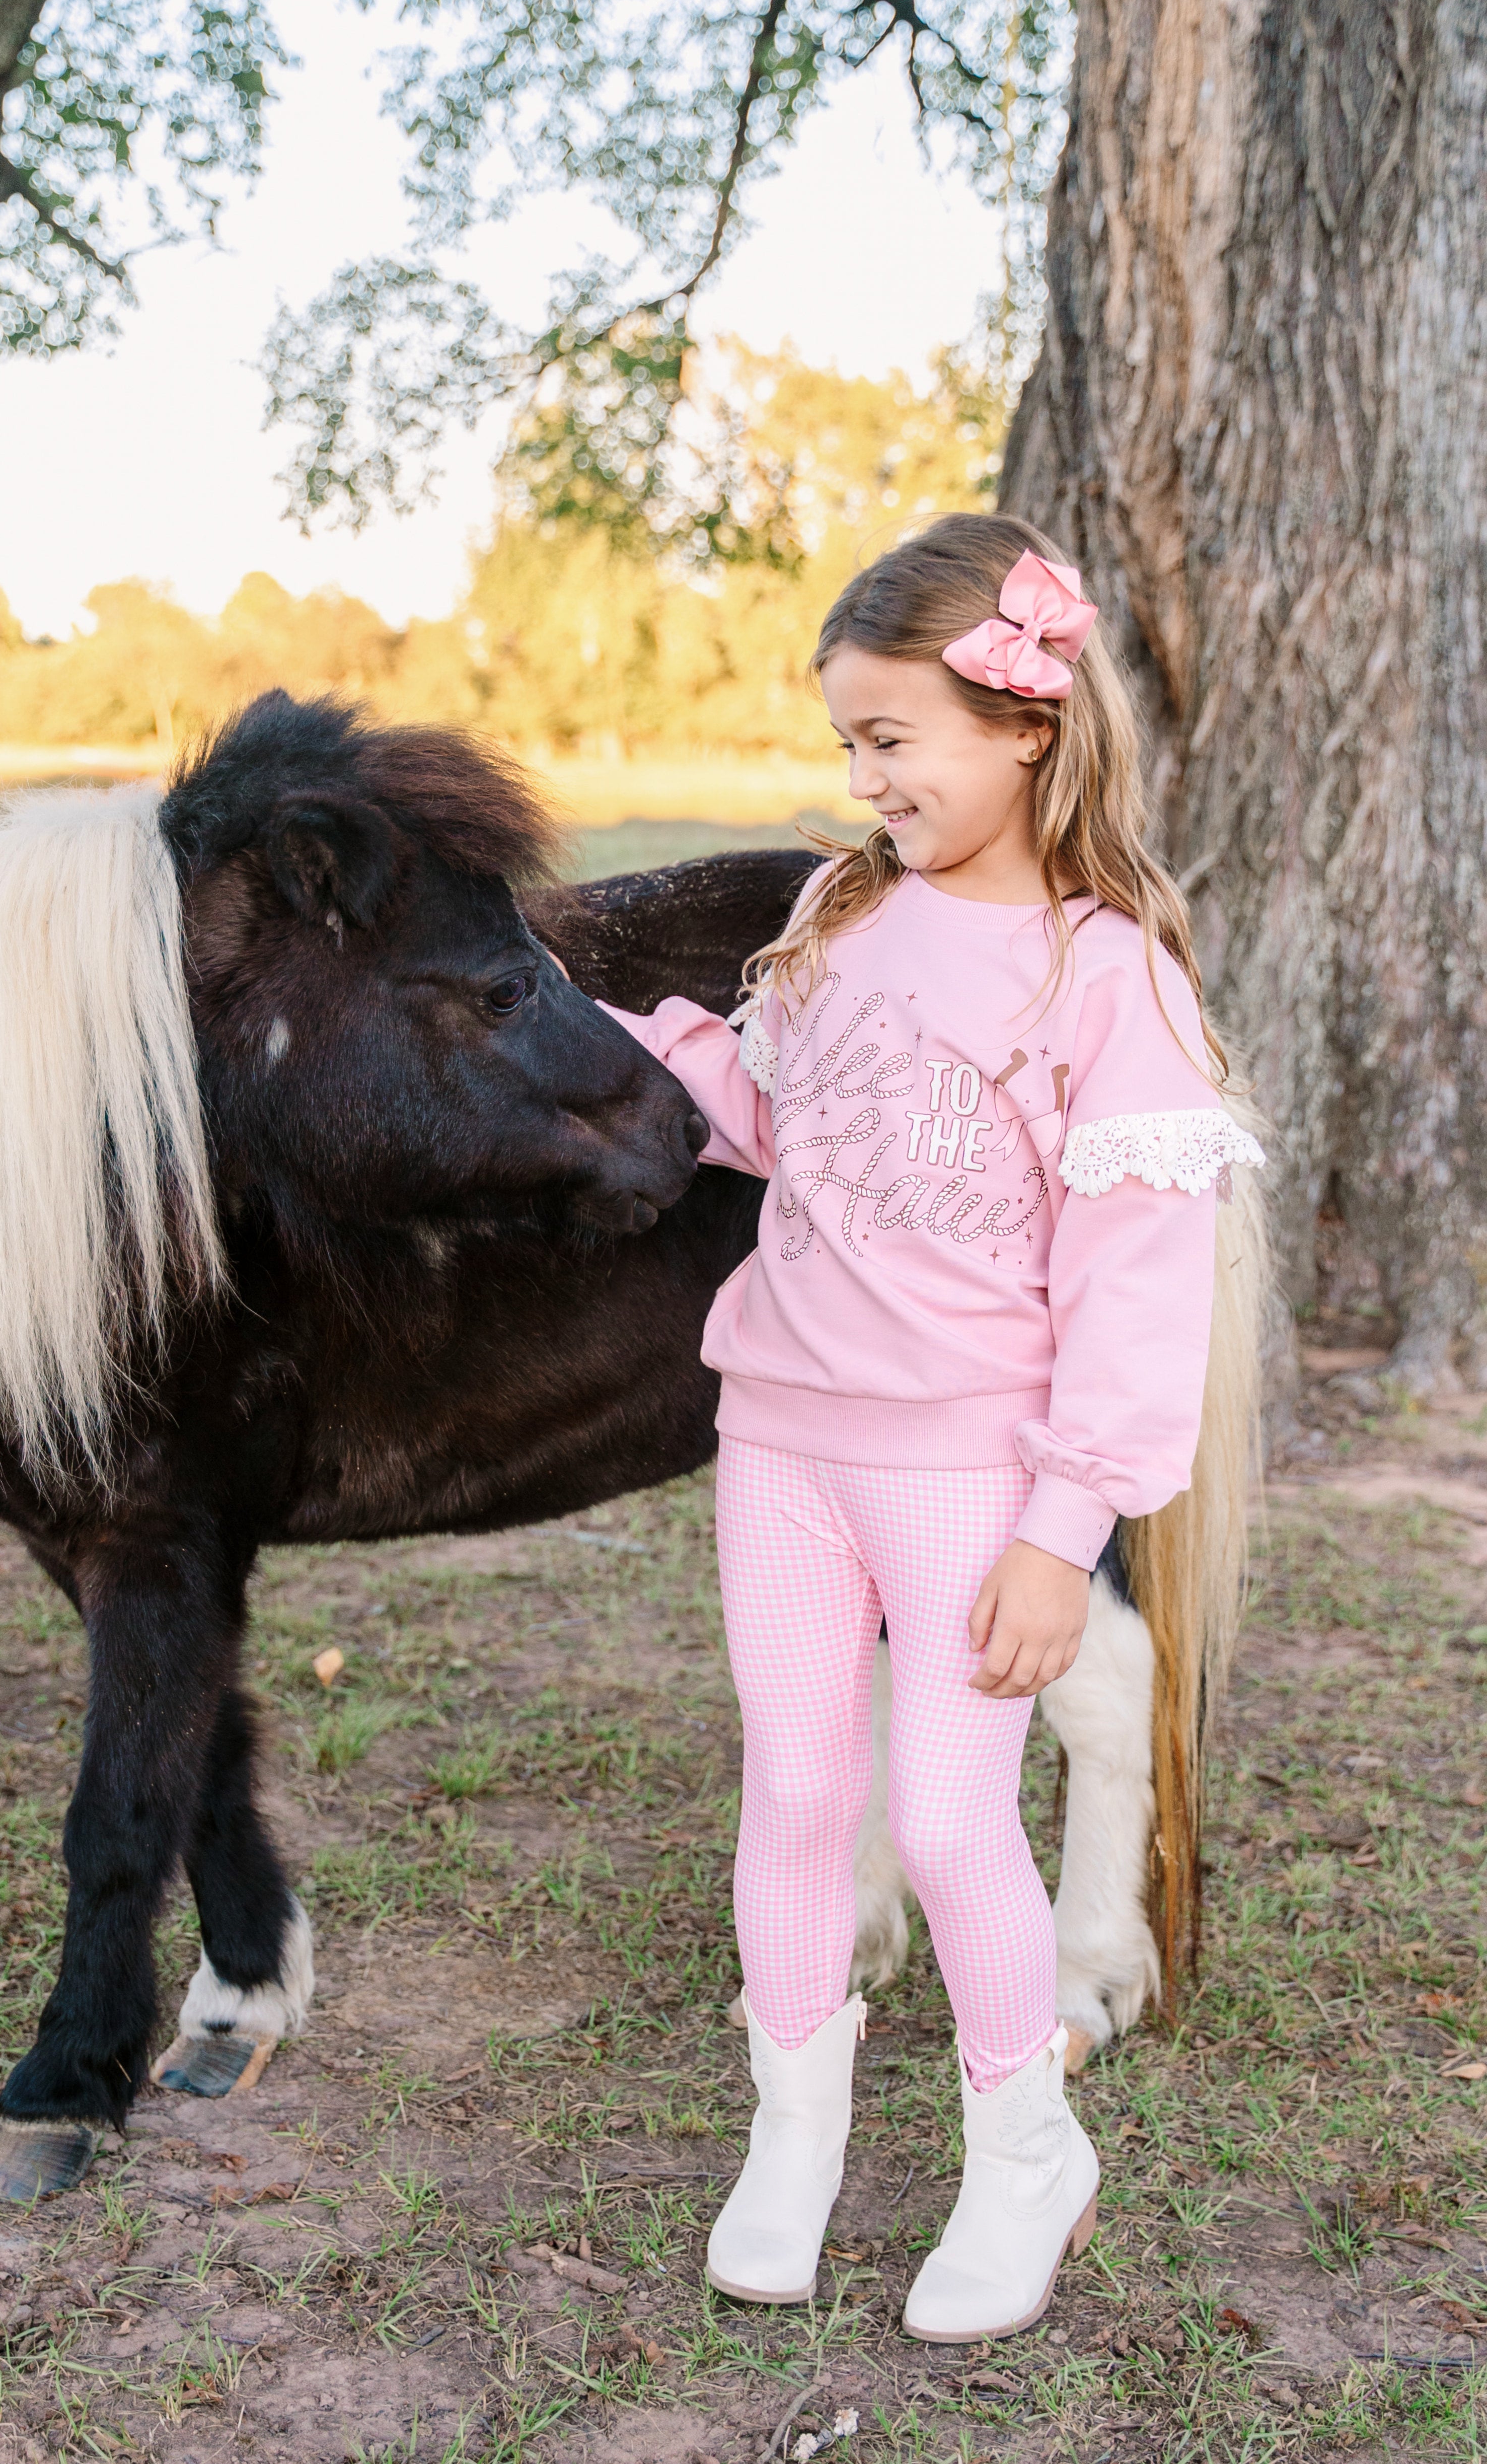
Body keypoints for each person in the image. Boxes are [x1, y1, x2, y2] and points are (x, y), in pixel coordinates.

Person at [598, 515, 1263, 2341]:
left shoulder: (1102, 972)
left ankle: (1022, 2147)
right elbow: (769, 1108)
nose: (868, 776)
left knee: (952, 1818)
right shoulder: (840, 911)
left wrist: (1067, 1530)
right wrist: (614, 1046)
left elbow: (1136, 1293)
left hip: (965, 1465)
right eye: (849, 745)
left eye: (896, 739)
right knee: (799, 1787)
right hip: (783, 1442)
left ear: (1026, 723)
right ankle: (793, 2129)